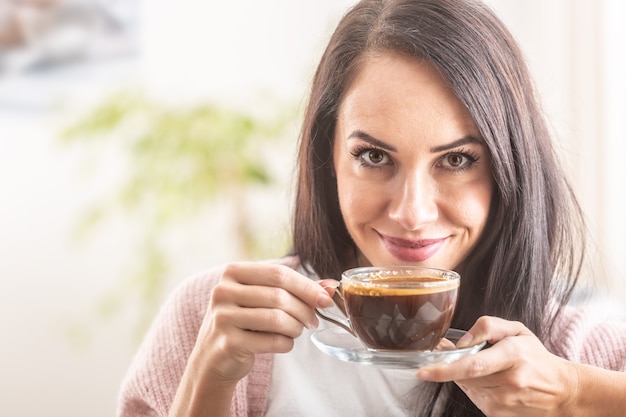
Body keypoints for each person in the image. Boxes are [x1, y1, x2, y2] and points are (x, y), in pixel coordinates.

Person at [117, 0, 626, 416]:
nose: (411, 212)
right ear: (329, 158)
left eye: (456, 159)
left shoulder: (574, 352)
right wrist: (210, 375)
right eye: (374, 156)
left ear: (507, 170)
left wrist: (574, 395)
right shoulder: (215, 320)